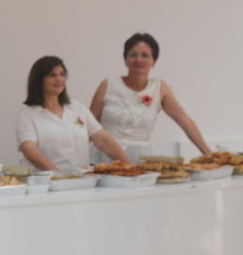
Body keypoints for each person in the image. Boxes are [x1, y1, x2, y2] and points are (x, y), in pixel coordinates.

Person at [89, 33, 211, 163]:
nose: (139, 60)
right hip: (104, 159)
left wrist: (209, 155)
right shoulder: (108, 85)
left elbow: (185, 121)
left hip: (139, 161)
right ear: (125, 59)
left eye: (145, 55)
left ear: (154, 61)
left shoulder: (160, 88)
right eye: (133, 55)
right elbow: (88, 126)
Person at [17, 55, 130, 174]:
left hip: (81, 180)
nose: (59, 79)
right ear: (39, 80)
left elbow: (104, 140)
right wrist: (60, 175)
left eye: (62, 74)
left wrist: (131, 166)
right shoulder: (27, 115)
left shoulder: (77, 108)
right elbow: (30, 151)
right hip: (46, 182)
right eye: (52, 75)